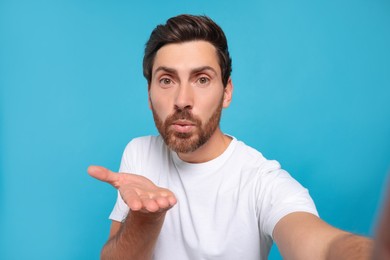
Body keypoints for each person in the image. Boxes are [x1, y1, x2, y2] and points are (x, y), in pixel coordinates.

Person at [88, 14, 376, 259]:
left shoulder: (260, 180)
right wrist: (144, 218)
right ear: (149, 95)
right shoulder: (139, 153)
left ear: (226, 92)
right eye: (166, 80)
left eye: (202, 79)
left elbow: (323, 246)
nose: (182, 100)